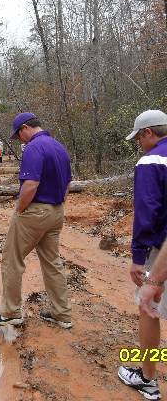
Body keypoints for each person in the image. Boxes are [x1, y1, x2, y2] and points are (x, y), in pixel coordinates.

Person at [0, 112, 72, 329]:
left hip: (35, 211)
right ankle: (62, 313)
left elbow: (31, 185)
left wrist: (19, 210)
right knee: (52, 262)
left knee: (11, 259)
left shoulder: (34, 148)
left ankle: (11, 312)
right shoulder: (58, 147)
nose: (19, 140)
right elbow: (67, 184)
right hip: (56, 211)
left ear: (26, 128)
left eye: (18, 135)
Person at [118, 110, 167, 401]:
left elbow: (147, 213)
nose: (138, 143)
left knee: (149, 308)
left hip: (160, 249)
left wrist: (137, 256)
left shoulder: (151, 161)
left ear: (148, 133)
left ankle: (148, 379)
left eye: (138, 137)